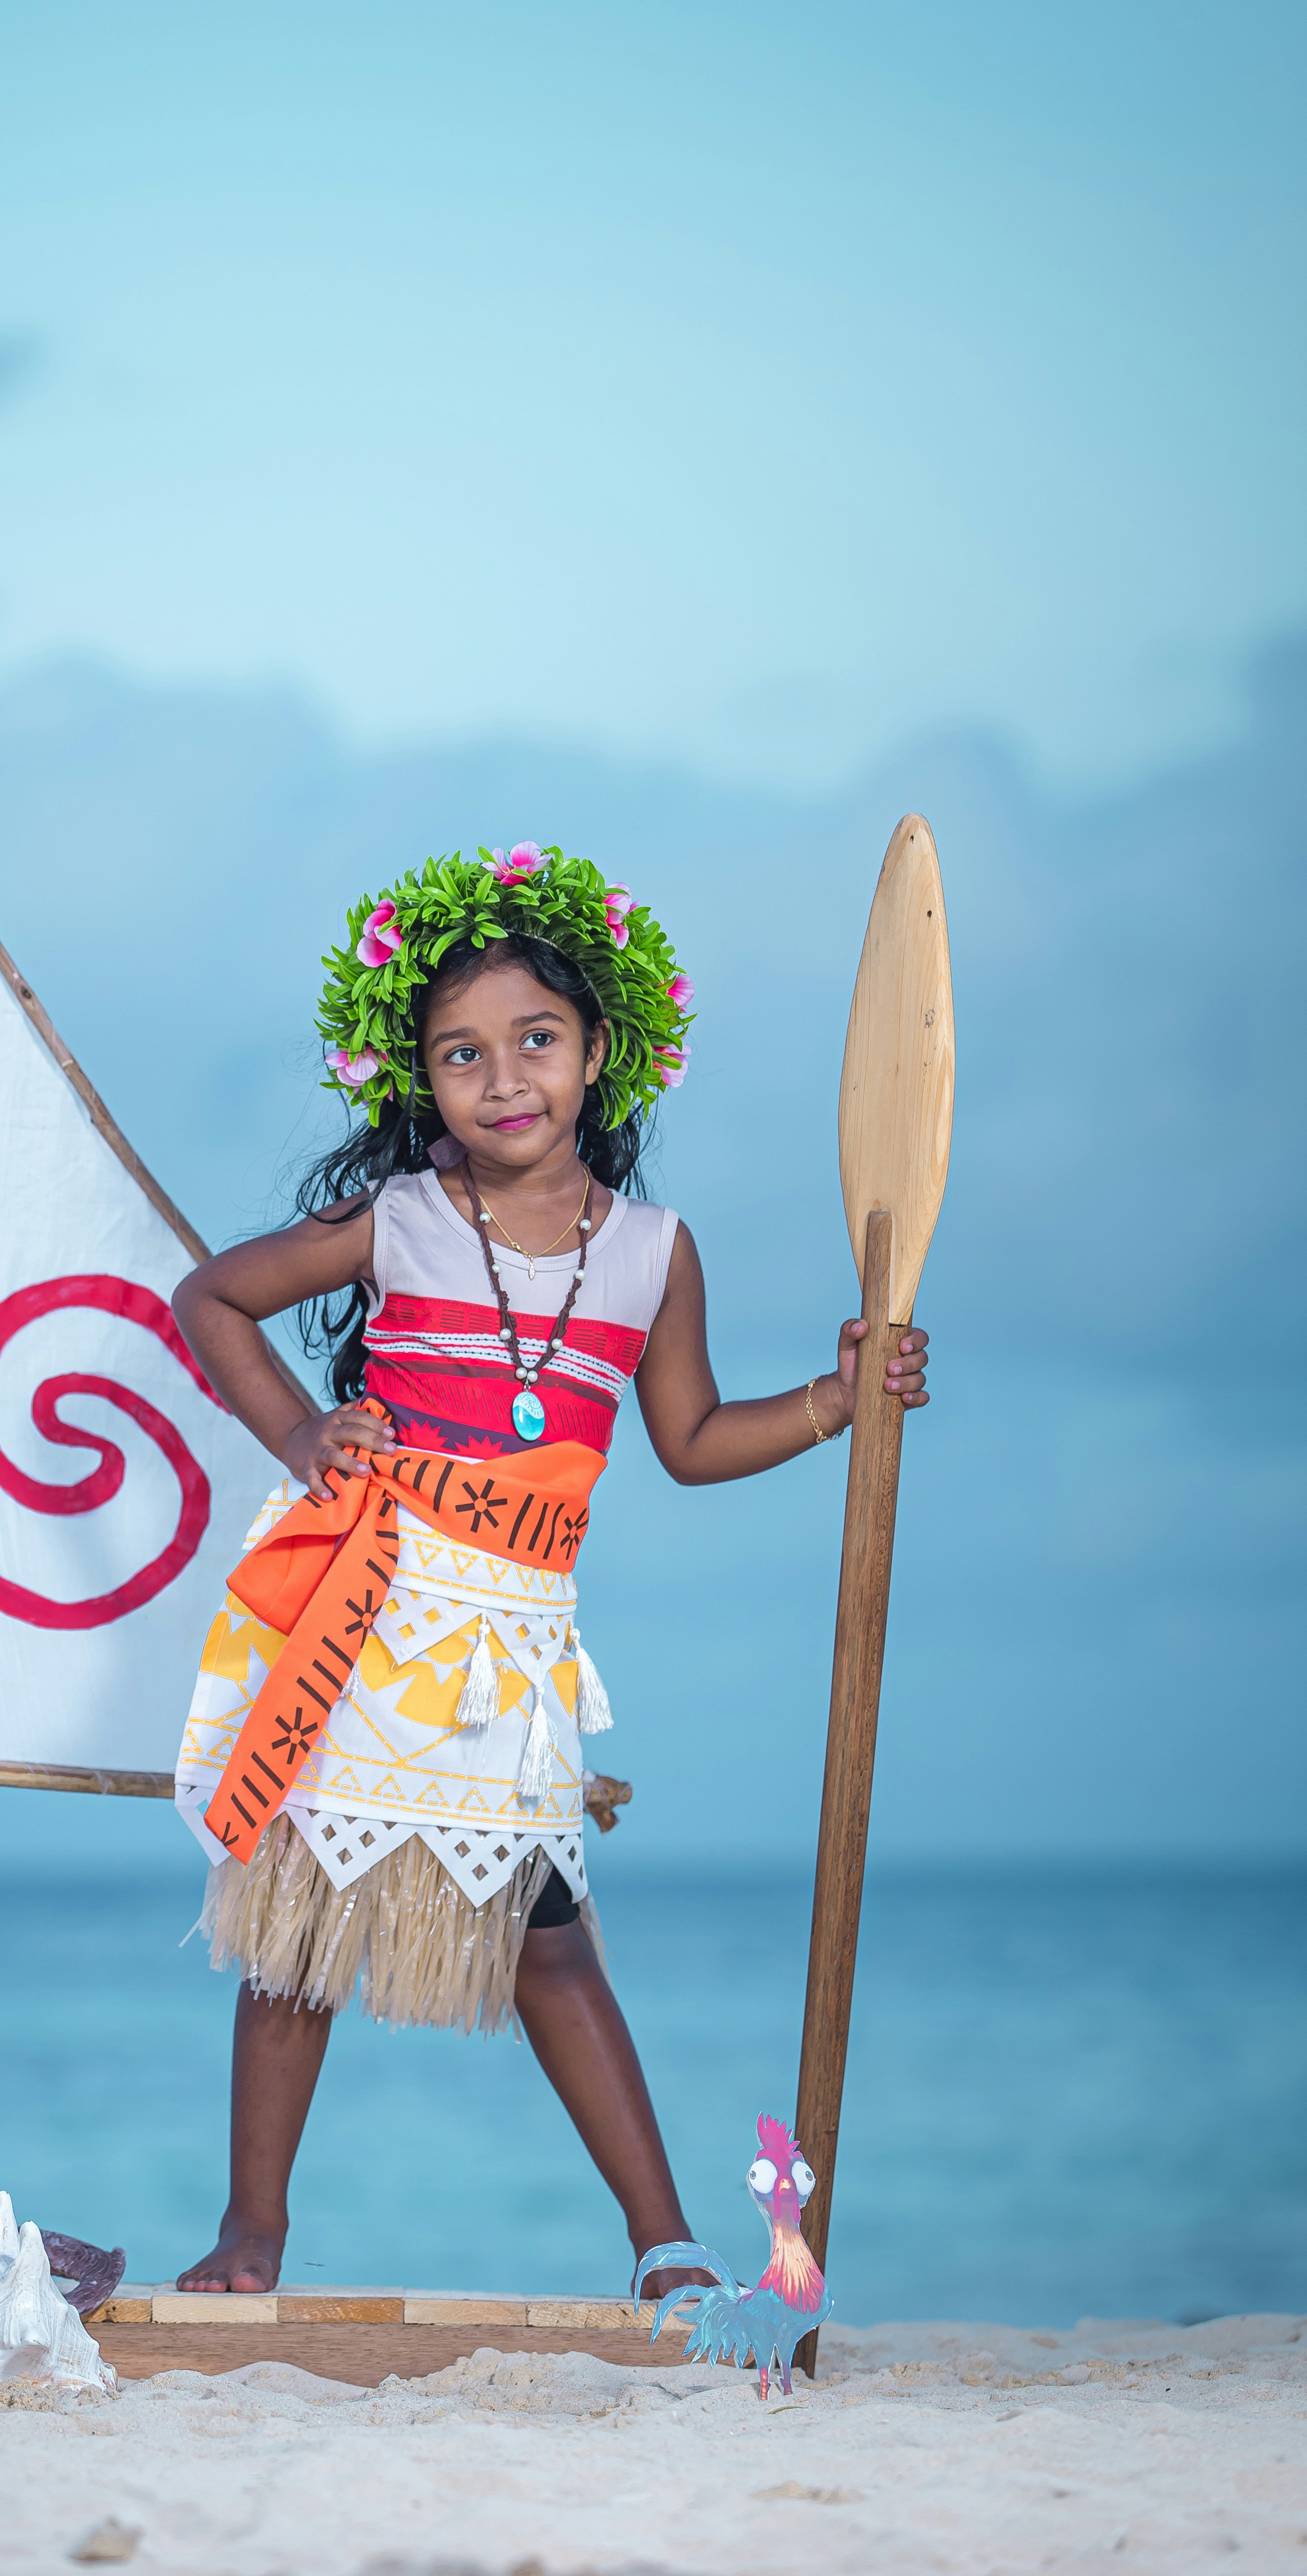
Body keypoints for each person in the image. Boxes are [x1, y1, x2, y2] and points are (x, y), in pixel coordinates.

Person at [168, 842, 931, 2295]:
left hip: (515, 1633)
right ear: (423, 1079)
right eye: (463, 1055)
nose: (503, 1078)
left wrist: (839, 1404)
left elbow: (694, 1439)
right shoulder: (394, 1220)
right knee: (296, 1938)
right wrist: (301, 1433)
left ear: (599, 1054)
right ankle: (251, 2232)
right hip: (369, 1604)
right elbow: (210, 1299)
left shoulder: (651, 1254)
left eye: (536, 1041)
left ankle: (664, 2245)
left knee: (552, 1942)